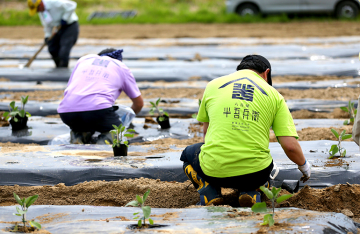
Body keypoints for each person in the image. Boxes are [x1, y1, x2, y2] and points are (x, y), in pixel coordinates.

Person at [180, 55, 311, 206]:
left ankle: (210, 192)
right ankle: (251, 192)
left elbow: (206, 133)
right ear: (266, 73)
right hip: (254, 174)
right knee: (265, 163)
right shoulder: (275, 96)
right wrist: (304, 167)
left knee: (188, 155)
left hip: (213, 171)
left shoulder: (213, 86)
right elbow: (290, 146)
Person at [57, 48, 144, 144]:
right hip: (98, 110)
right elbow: (138, 104)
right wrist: (122, 122)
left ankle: (78, 138)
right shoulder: (120, 66)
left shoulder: (84, 60)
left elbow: (69, 89)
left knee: (82, 125)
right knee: (116, 132)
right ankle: (102, 147)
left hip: (66, 112)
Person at [27, 0, 79, 68]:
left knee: (64, 51)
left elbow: (72, 5)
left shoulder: (54, 2)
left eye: (37, 9)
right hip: (58, 27)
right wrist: (47, 36)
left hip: (69, 26)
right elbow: (47, 25)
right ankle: (59, 67)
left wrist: (65, 18)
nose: (37, 11)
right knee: (52, 48)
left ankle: (63, 69)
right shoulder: (42, 12)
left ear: (40, 4)